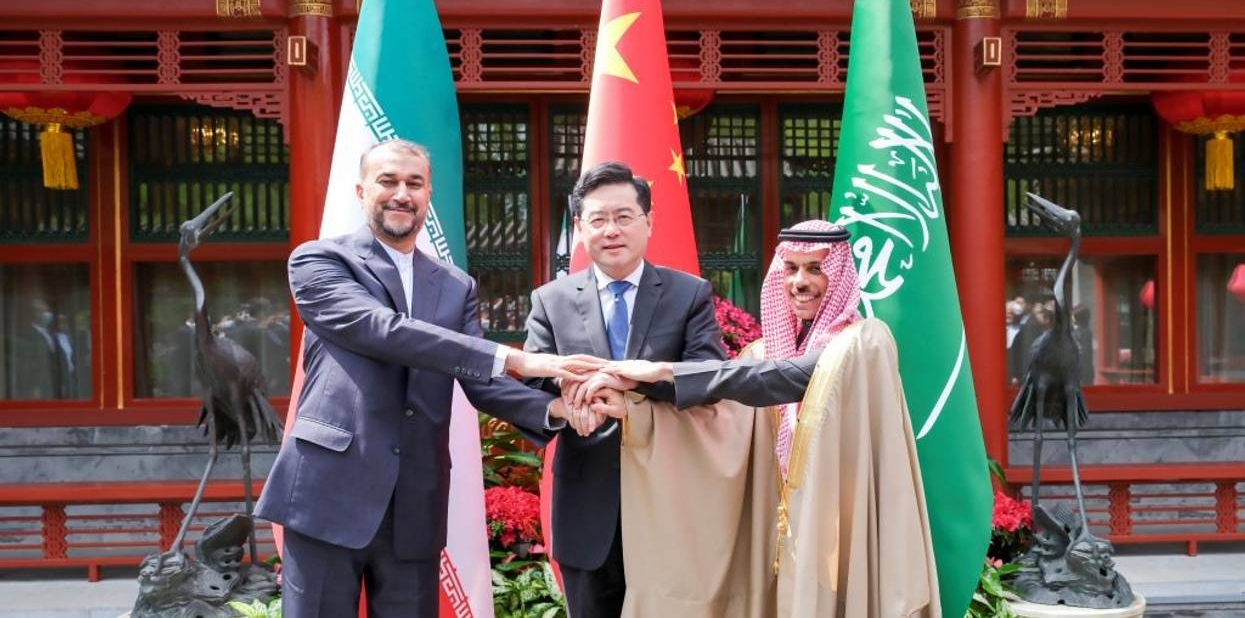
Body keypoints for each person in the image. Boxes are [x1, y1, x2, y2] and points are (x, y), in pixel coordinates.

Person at [254, 139, 604, 617]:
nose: (402, 193)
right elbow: (383, 331)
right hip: (328, 489)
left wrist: (555, 408)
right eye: (388, 181)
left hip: (415, 497)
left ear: (428, 196)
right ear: (360, 191)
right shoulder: (320, 261)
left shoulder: (456, 286)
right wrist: (517, 358)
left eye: (414, 183)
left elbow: (479, 381)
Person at [596, 220, 941, 617]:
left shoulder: (865, 342)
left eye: (814, 269)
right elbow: (722, 423)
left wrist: (662, 371)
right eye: (790, 268)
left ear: (841, 274)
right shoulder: (764, 352)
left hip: (843, 525)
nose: (799, 281)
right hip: (781, 532)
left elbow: (785, 379)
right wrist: (636, 412)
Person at [521, 161, 726, 618]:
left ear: (648, 222)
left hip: (668, 496)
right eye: (597, 220)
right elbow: (532, 386)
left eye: (624, 217)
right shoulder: (550, 301)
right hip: (587, 504)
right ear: (579, 229)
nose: (611, 230)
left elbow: (708, 377)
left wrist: (632, 385)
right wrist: (563, 401)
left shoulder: (687, 294)